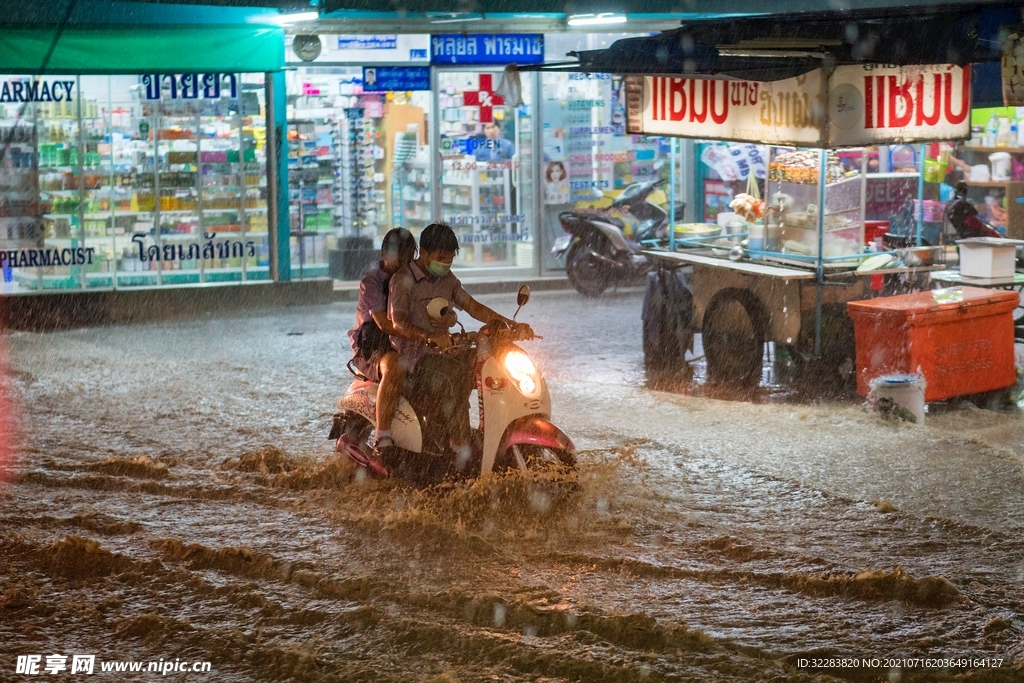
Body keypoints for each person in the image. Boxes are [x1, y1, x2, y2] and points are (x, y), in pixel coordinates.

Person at [387, 222, 527, 459]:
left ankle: (497, 432)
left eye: (450, 259)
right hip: (414, 359)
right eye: (441, 257)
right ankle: (459, 450)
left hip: (446, 352)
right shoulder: (402, 280)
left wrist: (510, 326)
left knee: (493, 364)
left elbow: (472, 306)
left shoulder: (447, 280)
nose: (445, 264)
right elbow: (397, 322)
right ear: (424, 251)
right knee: (455, 378)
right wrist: (429, 337)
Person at [347, 227, 418, 452]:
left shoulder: (415, 280)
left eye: (408, 257)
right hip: (372, 343)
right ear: (384, 254)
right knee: (395, 366)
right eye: (399, 256)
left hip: (405, 339)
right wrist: (424, 334)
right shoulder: (372, 283)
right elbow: (385, 325)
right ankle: (383, 436)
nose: (403, 263)